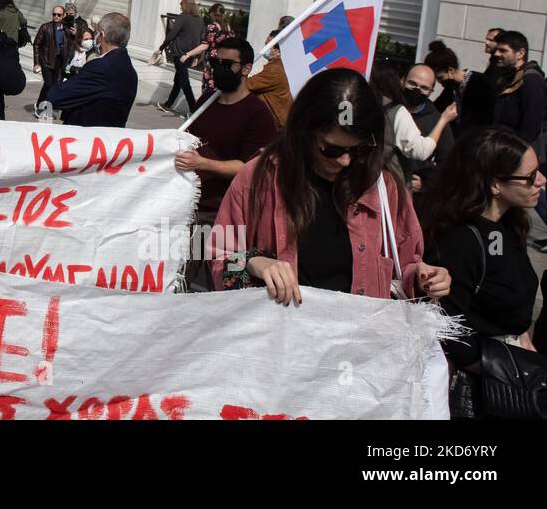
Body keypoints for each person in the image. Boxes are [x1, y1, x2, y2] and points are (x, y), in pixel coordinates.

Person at [208, 67, 452, 303]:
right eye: (332, 149)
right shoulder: (258, 178)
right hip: (279, 337)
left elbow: (406, 265)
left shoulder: (384, 187)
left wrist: (425, 279)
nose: (345, 160)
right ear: (304, 131)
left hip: (358, 339)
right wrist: (254, 262)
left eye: (358, 149)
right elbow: (219, 258)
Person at [418, 128, 544, 375]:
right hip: (484, 379)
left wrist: (520, 339)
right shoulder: (460, 241)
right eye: (529, 177)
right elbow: (448, 329)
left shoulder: (510, 224)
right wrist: (504, 370)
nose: (541, 180)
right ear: (495, 184)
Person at [176, 38, 278, 222]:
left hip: (222, 212)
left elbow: (251, 168)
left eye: (227, 64)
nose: (218, 69)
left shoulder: (258, 115)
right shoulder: (206, 101)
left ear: (246, 69)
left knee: (205, 251)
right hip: (189, 200)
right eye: (215, 63)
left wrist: (202, 163)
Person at [372, 65, 458, 191]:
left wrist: (425, 183)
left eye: (424, 88)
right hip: (378, 181)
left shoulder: (436, 120)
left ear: (431, 91)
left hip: (410, 191)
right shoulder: (388, 110)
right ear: (402, 81)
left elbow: (447, 162)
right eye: (412, 83)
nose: (417, 90)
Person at [45, 13, 139, 127]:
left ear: (102, 35)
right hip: (112, 136)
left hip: (87, 137)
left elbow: (55, 97)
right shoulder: (129, 69)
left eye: (97, 33)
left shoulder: (101, 67)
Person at [488, 30, 545, 147]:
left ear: (520, 53)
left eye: (503, 50)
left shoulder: (531, 80)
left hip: (515, 155)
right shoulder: (506, 77)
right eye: (496, 50)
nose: (496, 54)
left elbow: (530, 130)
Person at [157, 0, 204, 115]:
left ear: (186, 5)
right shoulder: (199, 20)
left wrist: (161, 47)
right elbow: (201, 39)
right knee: (178, 80)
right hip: (190, 54)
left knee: (184, 82)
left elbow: (172, 35)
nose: (180, 5)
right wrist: (197, 57)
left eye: (181, 3)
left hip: (180, 54)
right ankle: (168, 105)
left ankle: (194, 110)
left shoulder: (183, 17)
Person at [32, 4, 76, 112]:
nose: (56, 16)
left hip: (59, 60)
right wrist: (37, 63)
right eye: (54, 14)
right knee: (48, 84)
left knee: (55, 85)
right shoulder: (45, 27)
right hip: (46, 60)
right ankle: (40, 106)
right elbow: (36, 44)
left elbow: (71, 45)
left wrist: (74, 35)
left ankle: (48, 105)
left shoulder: (66, 29)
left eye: (59, 15)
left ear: (63, 16)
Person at [246, 29, 293, 128]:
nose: (264, 49)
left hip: (276, 125)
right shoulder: (276, 67)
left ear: (277, 52)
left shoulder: (274, 70)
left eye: (267, 46)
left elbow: (248, 84)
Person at [182, 3, 231, 95]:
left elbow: (205, 46)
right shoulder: (228, 28)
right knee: (219, 92)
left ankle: (205, 109)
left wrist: (188, 54)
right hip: (225, 64)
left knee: (208, 91)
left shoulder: (213, 27)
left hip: (212, 64)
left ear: (212, 13)